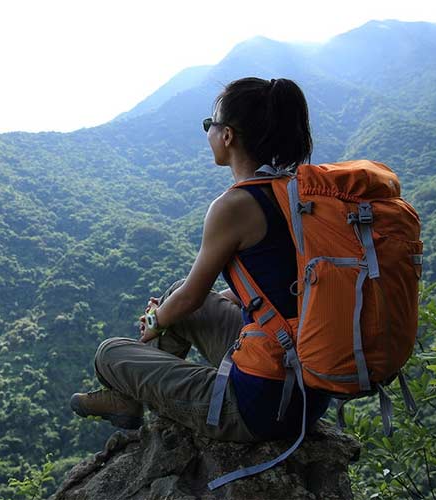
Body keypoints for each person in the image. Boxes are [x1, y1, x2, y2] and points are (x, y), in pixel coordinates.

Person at [70, 77, 331, 443]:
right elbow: (283, 280)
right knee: (179, 295)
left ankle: (127, 399)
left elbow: (192, 297)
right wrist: (203, 303)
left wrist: (155, 320)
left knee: (109, 354)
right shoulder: (299, 194)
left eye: (211, 125)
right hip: (308, 387)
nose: (207, 132)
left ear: (228, 136)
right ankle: (128, 401)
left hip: (259, 407)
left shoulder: (234, 206)